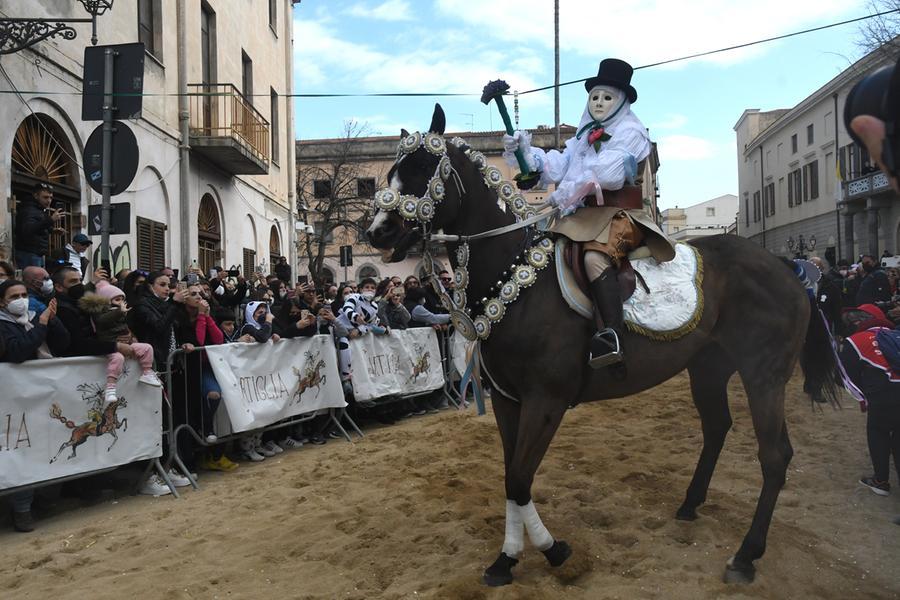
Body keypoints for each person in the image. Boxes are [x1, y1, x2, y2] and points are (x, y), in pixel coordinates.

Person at [503, 58, 675, 368]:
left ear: (621, 101)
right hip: (580, 216)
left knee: (594, 258)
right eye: (595, 97)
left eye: (607, 97)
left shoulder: (631, 132)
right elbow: (559, 165)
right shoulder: (584, 135)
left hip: (618, 212)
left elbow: (607, 175)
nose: (599, 103)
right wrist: (526, 154)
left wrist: (567, 193)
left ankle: (613, 336)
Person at [0, 279, 70, 532]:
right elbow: (17, 352)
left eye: (23, 294)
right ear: (2, 302)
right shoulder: (4, 324)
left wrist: (52, 319)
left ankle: (47, 499)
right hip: (17, 398)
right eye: (13, 296)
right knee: (22, 452)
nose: (20, 299)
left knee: (51, 443)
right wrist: (40, 325)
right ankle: (22, 509)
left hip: (46, 393)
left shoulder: (35, 315)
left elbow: (63, 343)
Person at [78, 280, 162, 403]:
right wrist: (119, 312)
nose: (121, 303)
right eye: (117, 299)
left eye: (122, 299)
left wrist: (131, 336)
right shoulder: (101, 312)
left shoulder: (120, 312)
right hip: (110, 345)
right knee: (118, 359)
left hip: (126, 344)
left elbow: (125, 327)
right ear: (106, 300)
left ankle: (147, 372)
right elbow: (103, 320)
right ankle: (111, 388)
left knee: (147, 348)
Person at [14, 182, 64, 268]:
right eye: (45, 197)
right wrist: (51, 220)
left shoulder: (39, 210)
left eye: (51, 197)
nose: (49, 201)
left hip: (36, 253)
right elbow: (28, 230)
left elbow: (38, 227)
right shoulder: (29, 209)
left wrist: (52, 230)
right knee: (35, 280)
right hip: (29, 253)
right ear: (36, 196)